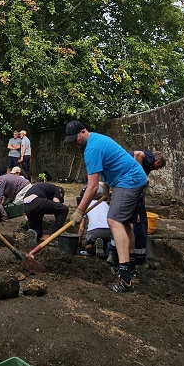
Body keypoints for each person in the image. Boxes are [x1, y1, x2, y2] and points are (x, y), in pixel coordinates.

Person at [64, 120, 148, 293]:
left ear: (83, 132)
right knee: (125, 223)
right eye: (71, 140)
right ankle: (130, 266)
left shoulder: (91, 149)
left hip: (129, 181)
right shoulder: (96, 140)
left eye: (75, 138)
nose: (74, 142)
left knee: (114, 221)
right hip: (132, 179)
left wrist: (79, 211)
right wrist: (108, 189)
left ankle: (125, 279)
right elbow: (109, 166)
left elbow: (92, 186)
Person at [23, 182, 68, 246]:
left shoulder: (44, 188)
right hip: (37, 200)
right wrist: (59, 224)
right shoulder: (57, 189)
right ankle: (54, 236)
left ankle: (34, 233)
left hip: (27, 205)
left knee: (38, 230)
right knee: (63, 209)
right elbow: (56, 203)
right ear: (61, 192)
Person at [78, 183, 110, 258]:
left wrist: (79, 243)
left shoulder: (86, 206)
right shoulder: (105, 204)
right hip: (109, 231)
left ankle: (93, 246)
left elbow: (81, 228)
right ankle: (107, 249)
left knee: (88, 246)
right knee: (108, 241)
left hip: (94, 231)